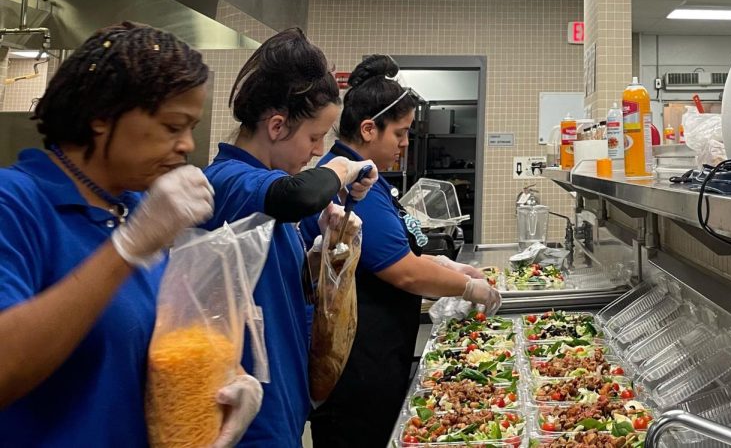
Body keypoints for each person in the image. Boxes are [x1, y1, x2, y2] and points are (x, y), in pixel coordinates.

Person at [0, 22, 261, 447]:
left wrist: (232, 382)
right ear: (102, 116)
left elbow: (156, 345)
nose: (185, 145)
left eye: (190, 128)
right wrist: (128, 248)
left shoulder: (133, 210)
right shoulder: (16, 204)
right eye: (173, 126)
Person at [300, 54, 501, 448]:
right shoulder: (350, 184)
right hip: (357, 365)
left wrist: (441, 264)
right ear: (369, 129)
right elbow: (403, 272)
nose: (407, 143)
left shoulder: (365, 178)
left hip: (376, 356)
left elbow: (388, 255)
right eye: (401, 133)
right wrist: (467, 287)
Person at [202, 28, 377, 447]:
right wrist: (343, 169)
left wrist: (325, 240)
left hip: (283, 403)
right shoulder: (228, 181)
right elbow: (294, 195)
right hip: (248, 423)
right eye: (315, 138)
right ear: (277, 126)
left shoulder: (267, 196)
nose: (318, 151)